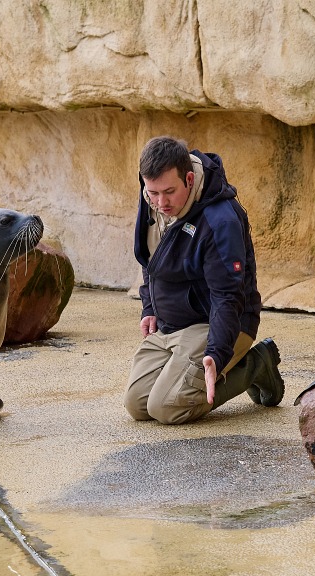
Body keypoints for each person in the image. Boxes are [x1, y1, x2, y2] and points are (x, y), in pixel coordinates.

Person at [123, 135, 284, 424]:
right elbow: (151, 258)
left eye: (169, 192)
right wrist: (149, 307)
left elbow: (227, 298)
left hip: (219, 323)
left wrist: (217, 354)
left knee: (167, 408)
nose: (161, 202)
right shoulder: (153, 197)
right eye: (153, 192)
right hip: (172, 325)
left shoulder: (220, 220)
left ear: (188, 179)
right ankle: (189, 368)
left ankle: (255, 365)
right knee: (138, 406)